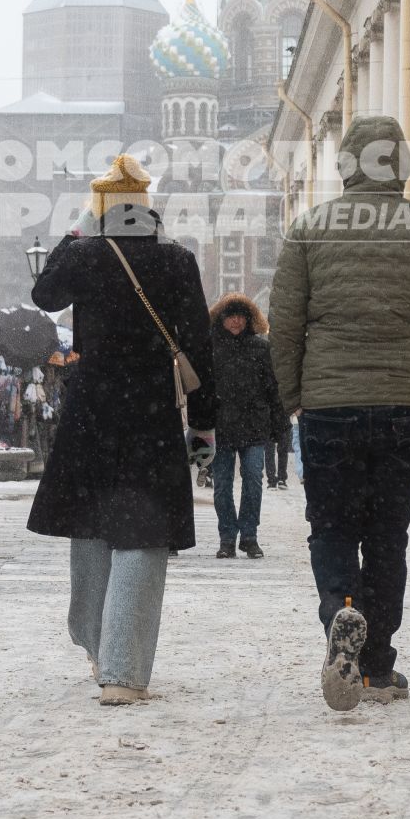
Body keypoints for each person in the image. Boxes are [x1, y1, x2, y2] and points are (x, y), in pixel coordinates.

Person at [270, 115, 410, 712]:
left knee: (331, 526)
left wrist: (295, 397)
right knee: (387, 536)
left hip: (329, 407)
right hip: (402, 405)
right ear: (401, 165)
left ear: (346, 164)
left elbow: (285, 325)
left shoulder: (309, 229)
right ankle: (378, 668)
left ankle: (341, 612)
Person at [26, 153, 216, 706]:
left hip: (90, 407)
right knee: (143, 532)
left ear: (99, 206)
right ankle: (124, 671)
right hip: (149, 411)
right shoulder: (176, 260)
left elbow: (44, 298)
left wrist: (79, 231)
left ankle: (93, 642)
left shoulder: (84, 255)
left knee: (91, 525)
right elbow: (199, 349)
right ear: (148, 205)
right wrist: (204, 426)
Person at [207, 293, 287, 560]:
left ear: (249, 319)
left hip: (254, 426)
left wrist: (278, 424)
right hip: (221, 426)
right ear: (222, 319)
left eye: (241, 317)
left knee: (254, 480)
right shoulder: (210, 348)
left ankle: (249, 536)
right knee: (222, 485)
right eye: (231, 316)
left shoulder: (261, 349)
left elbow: (272, 389)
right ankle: (227, 537)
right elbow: (201, 392)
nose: (236, 322)